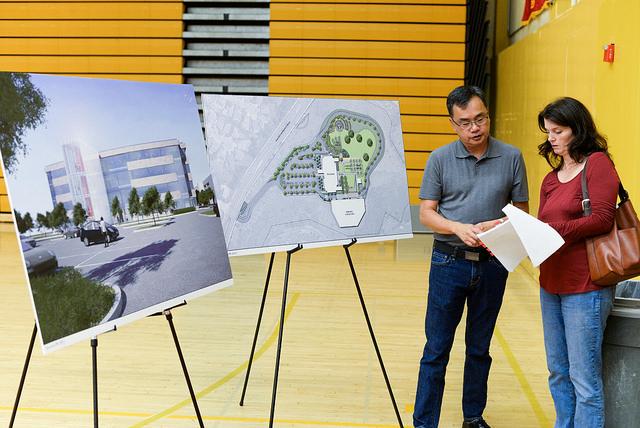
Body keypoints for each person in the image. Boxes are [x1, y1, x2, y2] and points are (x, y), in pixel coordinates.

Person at [414, 85, 529, 428]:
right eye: (465, 122)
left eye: (480, 119)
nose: (474, 128)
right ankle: (424, 423)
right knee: (436, 349)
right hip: (448, 261)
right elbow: (426, 214)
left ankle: (473, 417)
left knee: (479, 348)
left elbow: (522, 211)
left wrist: (501, 223)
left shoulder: (511, 157)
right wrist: (457, 227)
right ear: (453, 124)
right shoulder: (439, 159)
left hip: (493, 265)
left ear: (488, 116)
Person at [537, 97, 618, 428]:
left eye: (559, 130)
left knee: (585, 382)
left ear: (577, 129)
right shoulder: (551, 179)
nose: (552, 138)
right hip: (550, 283)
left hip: (585, 287)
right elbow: (543, 228)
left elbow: (601, 218)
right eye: (548, 131)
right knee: (558, 372)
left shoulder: (598, 164)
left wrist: (553, 230)